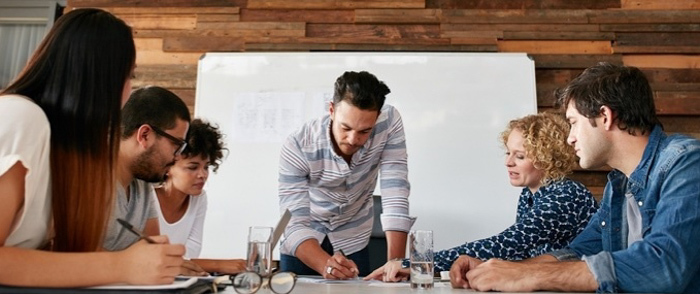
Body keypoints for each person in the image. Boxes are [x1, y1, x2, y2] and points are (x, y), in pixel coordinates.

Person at [449, 62, 700, 293]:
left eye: (573, 122)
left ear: (605, 116)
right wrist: (499, 269)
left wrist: (532, 275)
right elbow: (580, 252)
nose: (570, 138)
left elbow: (663, 264)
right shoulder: (619, 185)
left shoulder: (685, 163)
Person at [0, 8, 184, 287]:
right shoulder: (22, 117)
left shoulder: (67, 151)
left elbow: (56, 253)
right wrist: (123, 265)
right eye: (129, 76)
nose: (129, 91)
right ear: (101, 77)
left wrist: (141, 263)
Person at [366, 112, 598, 282]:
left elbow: (508, 243)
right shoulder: (529, 195)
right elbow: (522, 253)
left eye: (519, 156)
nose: (508, 162)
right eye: (508, 153)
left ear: (546, 157)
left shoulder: (566, 195)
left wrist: (415, 263)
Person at [278, 71, 415, 279]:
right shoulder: (298, 145)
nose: (353, 139)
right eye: (346, 128)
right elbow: (294, 223)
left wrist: (395, 265)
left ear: (377, 118)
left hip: (353, 238)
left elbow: (395, 193)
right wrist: (326, 264)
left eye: (364, 131)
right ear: (331, 110)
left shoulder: (389, 124)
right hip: (304, 242)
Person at [104, 85, 191, 252]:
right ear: (145, 135)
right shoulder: (89, 180)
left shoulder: (143, 181)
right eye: (176, 144)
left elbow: (152, 250)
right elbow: (75, 251)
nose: (178, 156)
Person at [154, 118, 246, 274]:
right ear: (168, 166)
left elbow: (189, 254)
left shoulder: (198, 198)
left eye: (206, 167)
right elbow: (154, 259)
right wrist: (218, 265)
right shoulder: (147, 198)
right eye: (192, 167)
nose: (202, 175)